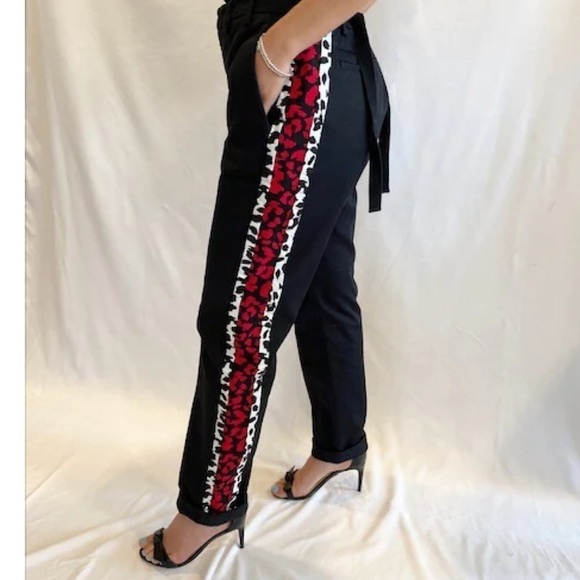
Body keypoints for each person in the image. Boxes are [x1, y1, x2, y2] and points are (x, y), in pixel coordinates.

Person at [139, 0, 390, 569]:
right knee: (323, 287)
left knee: (241, 311)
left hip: (303, 76)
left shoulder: (284, 54)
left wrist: (275, 51)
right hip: (320, 72)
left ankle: (209, 507)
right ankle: (340, 444)